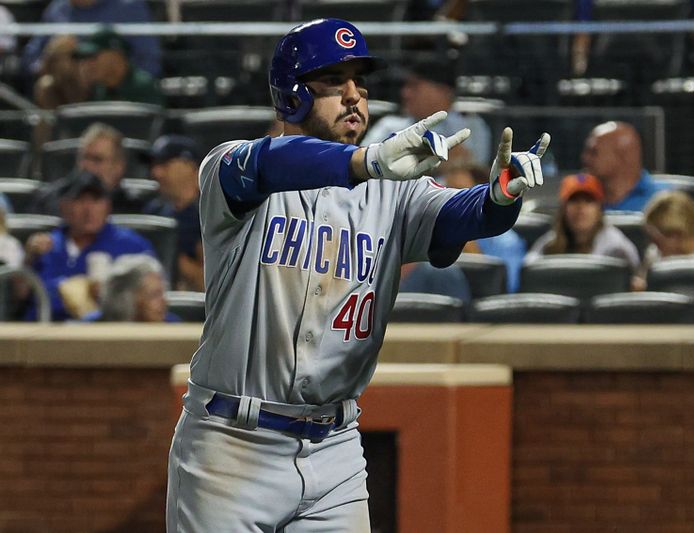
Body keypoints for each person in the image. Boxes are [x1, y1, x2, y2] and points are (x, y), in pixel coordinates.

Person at [166, 18, 550, 533]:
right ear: (293, 95)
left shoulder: (392, 189)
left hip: (335, 451)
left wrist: (500, 197)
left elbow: (461, 216)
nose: (354, 96)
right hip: (230, 446)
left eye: (360, 82)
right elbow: (274, 164)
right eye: (333, 81)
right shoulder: (230, 168)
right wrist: (366, 160)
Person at [24, 171, 154, 321]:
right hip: (46, 334)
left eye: (96, 200)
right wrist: (29, 258)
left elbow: (152, 298)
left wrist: (107, 296)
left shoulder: (132, 247)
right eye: (80, 200)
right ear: (63, 206)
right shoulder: (45, 246)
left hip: (107, 334)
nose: (88, 209)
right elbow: (18, 298)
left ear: (108, 206)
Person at [362, 55, 493, 166]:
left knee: (461, 179)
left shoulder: (471, 125)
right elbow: (364, 160)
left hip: (450, 192)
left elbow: (471, 167)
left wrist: (406, 157)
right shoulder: (390, 125)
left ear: (442, 91)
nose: (405, 93)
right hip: (397, 192)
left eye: (414, 86)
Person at [444, 161, 528, 292]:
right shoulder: (432, 233)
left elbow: (509, 292)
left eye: (460, 191)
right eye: (446, 191)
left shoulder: (507, 243)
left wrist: (473, 255)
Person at [526, 173, 640, 269]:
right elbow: (529, 268)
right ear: (563, 209)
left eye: (588, 200)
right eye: (574, 200)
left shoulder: (617, 247)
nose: (581, 207)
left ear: (599, 209)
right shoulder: (549, 244)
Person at [22, 0, 162, 78]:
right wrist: (51, 53)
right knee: (46, 87)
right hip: (66, 92)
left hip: (114, 89)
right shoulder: (57, 9)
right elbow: (30, 58)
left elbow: (150, 62)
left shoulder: (129, 6)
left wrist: (110, 67)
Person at [33, 122, 142, 215]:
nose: (87, 166)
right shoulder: (50, 200)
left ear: (119, 167)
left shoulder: (134, 210)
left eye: (97, 159)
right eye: (84, 158)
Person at [143, 135, 203, 291]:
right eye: (154, 166)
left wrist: (169, 255)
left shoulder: (210, 211)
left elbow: (212, 282)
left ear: (189, 165)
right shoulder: (153, 212)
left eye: (164, 164)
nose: (156, 173)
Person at [581, 121, 670, 211]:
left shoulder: (664, 202)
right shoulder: (576, 199)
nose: (584, 158)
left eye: (594, 152)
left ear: (624, 156)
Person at [73, 26, 163, 105]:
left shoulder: (143, 86)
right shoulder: (97, 89)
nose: (86, 64)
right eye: (84, 59)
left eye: (93, 57)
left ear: (116, 55)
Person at [83, 254, 179, 322]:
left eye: (162, 293)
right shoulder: (92, 327)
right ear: (126, 299)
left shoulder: (174, 327)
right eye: (154, 295)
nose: (164, 301)